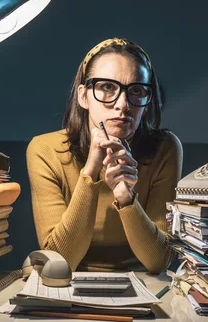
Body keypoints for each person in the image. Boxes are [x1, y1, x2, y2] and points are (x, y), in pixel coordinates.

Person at [26, 37, 183, 273]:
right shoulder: (45, 149)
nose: (122, 104)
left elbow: (158, 260)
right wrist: (90, 172)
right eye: (107, 87)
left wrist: (125, 197)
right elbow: (59, 261)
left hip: (143, 283)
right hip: (67, 283)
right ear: (83, 96)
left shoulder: (164, 147)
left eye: (137, 90)